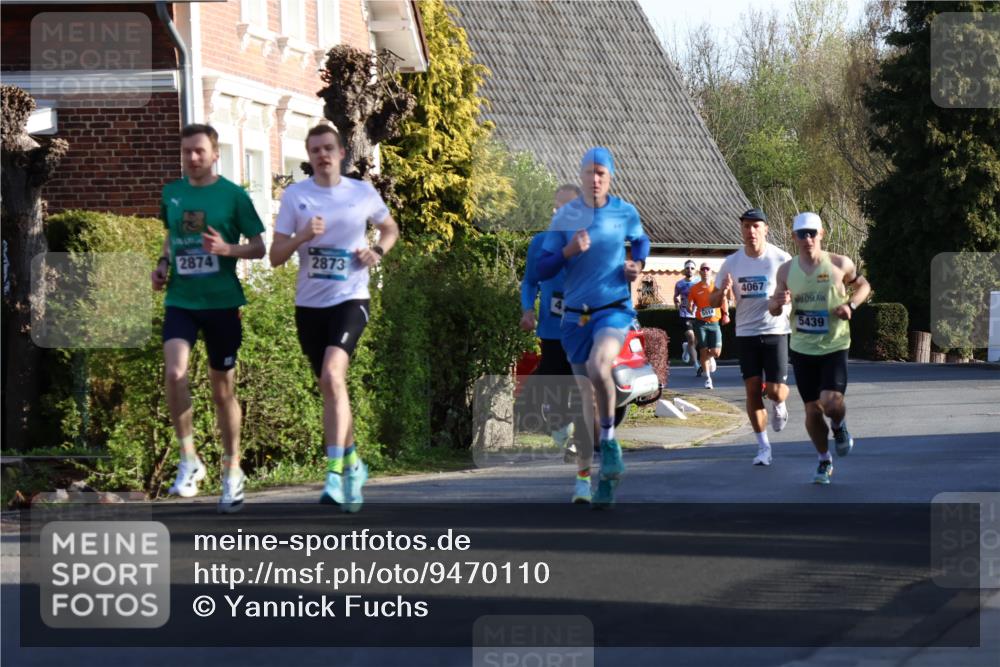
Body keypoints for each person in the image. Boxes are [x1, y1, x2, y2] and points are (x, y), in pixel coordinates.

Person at [270, 124, 400, 512]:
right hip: (309, 306)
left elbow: (390, 228)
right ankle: (354, 462)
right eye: (315, 151)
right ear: (309, 157)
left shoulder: (361, 192)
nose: (322, 155)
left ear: (341, 153)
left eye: (328, 148)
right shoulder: (296, 196)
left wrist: (377, 251)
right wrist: (301, 237)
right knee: (331, 388)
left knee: (332, 375)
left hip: (351, 298)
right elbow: (276, 256)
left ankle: (333, 474)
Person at [152, 123, 266, 513]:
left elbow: (259, 247)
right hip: (181, 300)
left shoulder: (233, 196)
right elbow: (171, 234)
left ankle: (232, 469)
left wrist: (226, 249)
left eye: (200, 151)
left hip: (221, 303)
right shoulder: (173, 193)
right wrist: (163, 262)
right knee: (174, 372)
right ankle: (189, 460)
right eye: (186, 151)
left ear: (215, 154)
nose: (193, 158)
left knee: (222, 392)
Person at [535, 147, 650, 508]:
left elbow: (641, 240)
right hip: (574, 317)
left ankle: (610, 443)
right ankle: (586, 478)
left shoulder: (625, 212)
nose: (595, 179)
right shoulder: (565, 217)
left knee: (602, 366)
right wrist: (568, 251)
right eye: (590, 173)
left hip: (612, 309)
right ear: (582, 176)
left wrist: (637, 263)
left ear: (610, 177)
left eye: (602, 173)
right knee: (585, 394)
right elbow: (542, 269)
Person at [769, 212, 870, 484]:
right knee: (812, 410)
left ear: (822, 234)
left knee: (830, 402)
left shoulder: (839, 264)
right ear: (794, 237)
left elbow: (863, 285)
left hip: (834, 345)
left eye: (812, 232)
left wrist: (851, 306)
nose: (808, 238)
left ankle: (838, 426)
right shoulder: (786, 270)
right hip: (802, 348)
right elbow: (774, 307)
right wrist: (778, 302)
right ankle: (824, 460)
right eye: (802, 234)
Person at [711, 208, 791, 467]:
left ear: (766, 229)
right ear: (742, 229)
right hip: (745, 332)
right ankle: (763, 447)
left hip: (775, 330)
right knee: (752, 390)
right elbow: (712, 300)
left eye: (756, 226)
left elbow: (797, 291)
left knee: (776, 391)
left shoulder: (781, 258)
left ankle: (779, 405)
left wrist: (788, 299)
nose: (751, 231)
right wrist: (721, 292)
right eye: (746, 226)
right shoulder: (731, 263)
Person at [519, 184, 583, 463]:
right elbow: (530, 281)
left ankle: (575, 440)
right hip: (552, 330)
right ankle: (563, 434)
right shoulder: (540, 243)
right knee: (556, 384)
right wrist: (527, 311)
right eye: (556, 207)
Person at [688, 263, 730, 389]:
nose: (705, 271)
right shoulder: (694, 288)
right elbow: (690, 303)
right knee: (703, 351)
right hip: (700, 323)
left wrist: (726, 314)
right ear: (700, 272)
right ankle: (708, 378)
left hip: (714, 323)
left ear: (711, 272)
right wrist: (690, 308)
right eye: (703, 269)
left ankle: (711, 357)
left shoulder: (716, 287)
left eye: (707, 269)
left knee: (716, 352)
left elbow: (724, 301)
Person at [673, 259, 701, 371]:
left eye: (692, 268)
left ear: (695, 270)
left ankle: (686, 348)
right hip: (685, 314)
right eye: (687, 268)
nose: (689, 270)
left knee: (695, 341)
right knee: (691, 337)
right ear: (684, 270)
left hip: (698, 314)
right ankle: (696, 365)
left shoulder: (699, 282)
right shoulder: (679, 284)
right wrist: (676, 302)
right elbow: (675, 296)